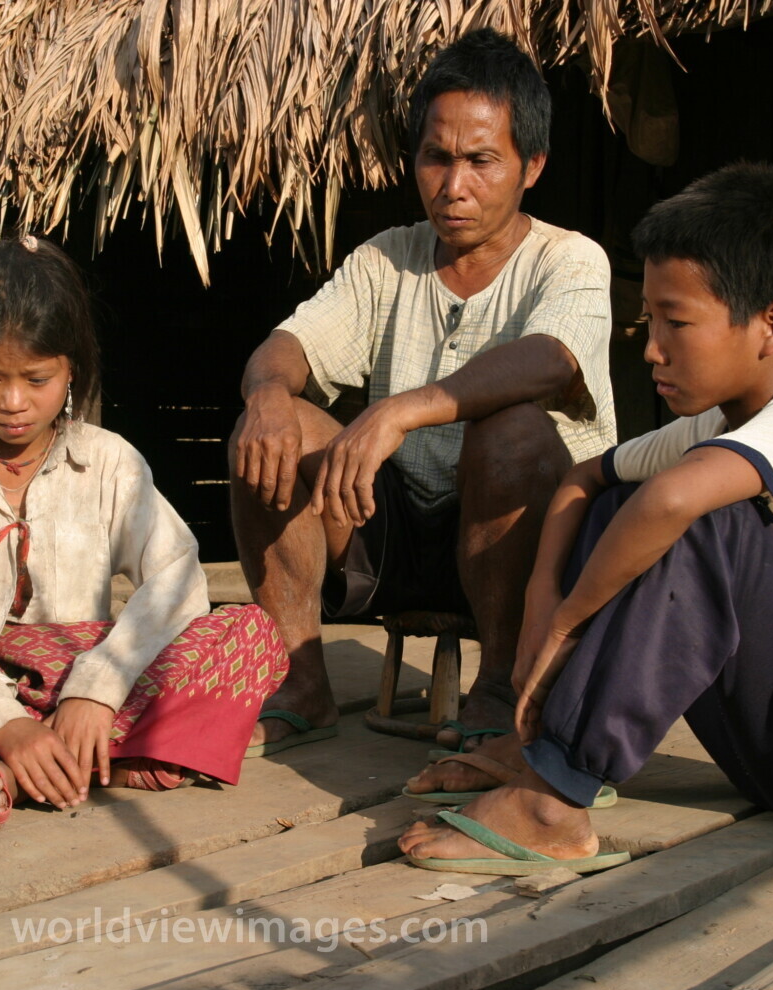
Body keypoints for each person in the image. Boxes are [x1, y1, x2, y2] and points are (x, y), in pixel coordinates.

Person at [399, 163, 773, 875]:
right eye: (650, 321)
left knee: (691, 515)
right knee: (616, 504)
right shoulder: (714, 427)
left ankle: (552, 802)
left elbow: (674, 505)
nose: (651, 348)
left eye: (677, 322)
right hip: (771, 752)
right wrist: (543, 605)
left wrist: (570, 622)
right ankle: (544, 747)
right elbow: (581, 480)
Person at [230, 28, 615, 755]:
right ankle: (300, 680)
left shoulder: (569, 260)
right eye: (436, 157)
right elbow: (289, 345)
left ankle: (499, 685)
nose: (453, 185)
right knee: (274, 430)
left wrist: (399, 410)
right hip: (392, 534)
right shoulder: (388, 259)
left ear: (532, 166)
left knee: (513, 434)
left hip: (523, 546)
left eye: (481, 161)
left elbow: (552, 360)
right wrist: (268, 396)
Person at [0, 236, 287, 834]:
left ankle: (14, 772)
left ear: (71, 367)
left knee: (250, 634)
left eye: (37, 379)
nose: (13, 402)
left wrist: (96, 688)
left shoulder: (109, 461)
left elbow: (176, 577)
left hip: (87, 684)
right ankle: (96, 763)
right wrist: (7, 722)